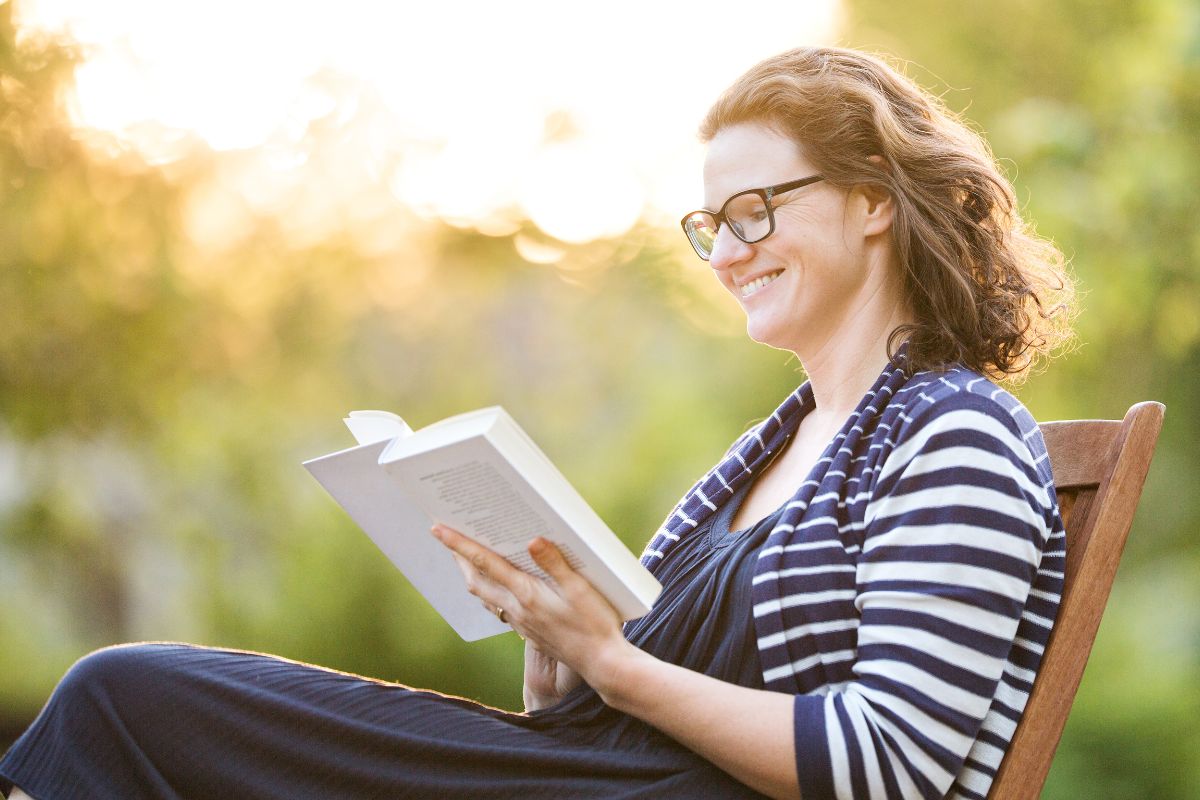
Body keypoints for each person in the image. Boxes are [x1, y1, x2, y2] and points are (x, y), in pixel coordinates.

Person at [0, 46, 1073, 800]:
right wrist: (558, 657)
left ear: (875, 196)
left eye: (758, 210)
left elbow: (888, 762)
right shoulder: (773, 444)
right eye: (711, 225)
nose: (730, 251)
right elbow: (618, 689)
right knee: (140, 696)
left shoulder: (954, 434)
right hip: (593, 771)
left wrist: (613, 664)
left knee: (127, 697)